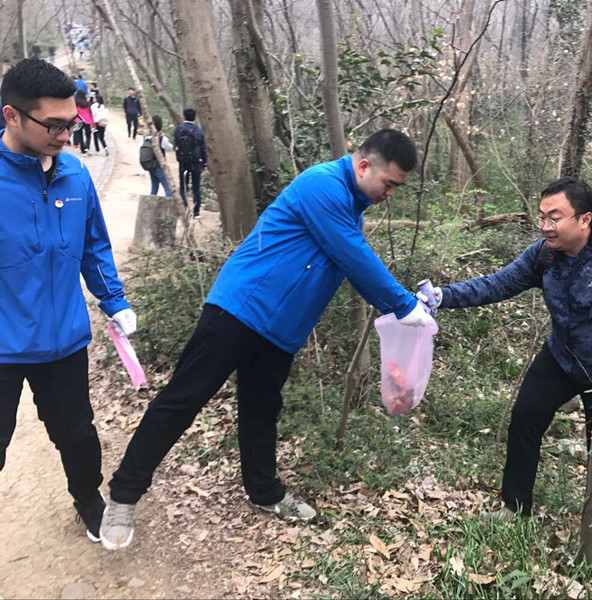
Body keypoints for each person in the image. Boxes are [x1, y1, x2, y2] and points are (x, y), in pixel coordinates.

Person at [100, 129, 434, 550]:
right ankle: (123, 496)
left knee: (261, 411)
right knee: (182, 400)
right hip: (239, 309)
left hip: (280, 330)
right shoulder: (322, 185)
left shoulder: (352, 207)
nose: (390, 193)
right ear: (364, 165)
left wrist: (403, 306)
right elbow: (354, 257)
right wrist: (402, 305)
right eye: (389, 183)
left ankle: (264, 492)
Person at [418, 177, 592, 536]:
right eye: (542, 217)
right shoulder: (545, 254)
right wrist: (444, 296)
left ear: (584, 219)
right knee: (525, 419)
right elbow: (499, 283)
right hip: (561, 358)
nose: (545, 226)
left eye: (554, 218)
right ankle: (515, 507)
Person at [0, 58, 136, 543]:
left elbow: (93, 245)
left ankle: (87, 499)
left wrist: (114, 300)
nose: (66, 135)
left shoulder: (75, 175)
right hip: (3, 346)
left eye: (71, 123)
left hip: (64, 342)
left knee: (77, 434)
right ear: (12, 115)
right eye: (53, 125)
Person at [173, 108, 207, 219]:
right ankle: (196, 212)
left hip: (183, 162)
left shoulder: (178, 129)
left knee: (183, 187)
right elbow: (203, 148)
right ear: (195, 117)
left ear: (184, 116)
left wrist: (179, 156)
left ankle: (183, 210)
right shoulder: (198, 131)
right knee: (196, 188)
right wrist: (204, 163)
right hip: (196, 162)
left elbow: (176, 145)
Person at [147, 114, 172, 196]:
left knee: (154, 186)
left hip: (150, 165)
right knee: (167, 187)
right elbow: (169, 148)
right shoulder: (162, 138)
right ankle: (168, 202)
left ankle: (151, 201)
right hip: (159, 165)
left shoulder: (146, 137)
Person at [74, 90, 93, 154]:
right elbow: (90, 113)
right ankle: (87, 147)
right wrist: (93, 123)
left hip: (78, 120)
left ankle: (82, 149)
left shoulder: (75, 103)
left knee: (80, 136)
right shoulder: (87, 103)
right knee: (88, 135)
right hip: (87, 120)